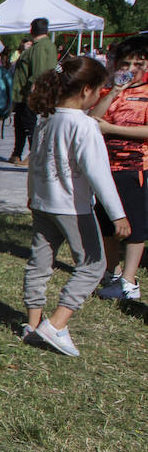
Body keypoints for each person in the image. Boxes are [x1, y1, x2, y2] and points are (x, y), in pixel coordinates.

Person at [22, 56, 128, 356]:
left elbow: (34, 164)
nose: (99, 97)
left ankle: (32, 325)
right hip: (72, 208)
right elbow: (98, 174)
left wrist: (31, 195)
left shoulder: (46, 117)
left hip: (42, 204)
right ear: (86, 90)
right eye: (99, 91)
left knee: (39, 263)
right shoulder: (84, 126)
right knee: (93, 265)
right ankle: (55, 324)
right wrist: (117, 213)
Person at [89, 35, 148, 301]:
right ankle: (112, 272)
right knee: (107, 223)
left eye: (139, 63)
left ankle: (129, 281)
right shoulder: (109, 89)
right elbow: (92, 119)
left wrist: (112, 129)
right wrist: (113, 92)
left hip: (135, 167)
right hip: (104, 167)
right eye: (126, 63)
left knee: (135, 227)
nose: (132, 69)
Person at [10, 19, 55, 165]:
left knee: (29, 124)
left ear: (31, 30)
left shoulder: (40, 47)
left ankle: (33, 155)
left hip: (30, 93)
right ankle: (17, 152)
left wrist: (33, 93)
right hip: (25, 94)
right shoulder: (45, 45)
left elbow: (39, 71)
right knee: (20, 122)